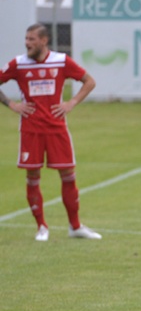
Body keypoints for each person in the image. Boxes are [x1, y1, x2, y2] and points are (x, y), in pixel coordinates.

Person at [0, 23, 100, 242]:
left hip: (56, 129)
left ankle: (75, 226)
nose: (27, 43)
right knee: (33, 176)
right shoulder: (18, 64)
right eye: (26, 39)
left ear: (44, 41)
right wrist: (12, 105)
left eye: (32, 39)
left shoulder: (61, 61)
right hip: (31, 130)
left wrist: (71, 102)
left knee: (68, 175)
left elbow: (89, 81)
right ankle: (41, 227)